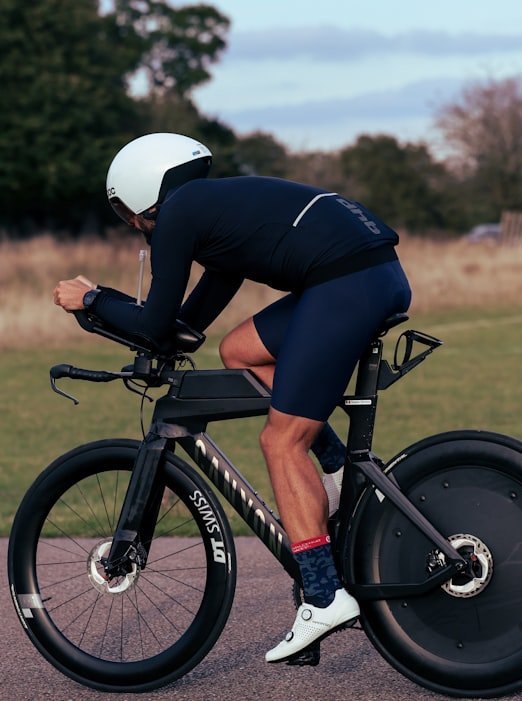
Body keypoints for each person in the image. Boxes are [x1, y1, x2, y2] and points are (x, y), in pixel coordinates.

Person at [53, 132, 411, 662]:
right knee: (239, 350)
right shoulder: (215, 211)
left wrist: (92, 298)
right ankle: (335, 469)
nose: (138, 228)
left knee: (281, 443)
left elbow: (153, 322)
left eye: (132, 217)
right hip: (370, 274)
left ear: (138, 200)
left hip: (346, 284)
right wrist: (148, 335)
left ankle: (322, 595)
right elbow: (183, 325)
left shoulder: (177, 215)